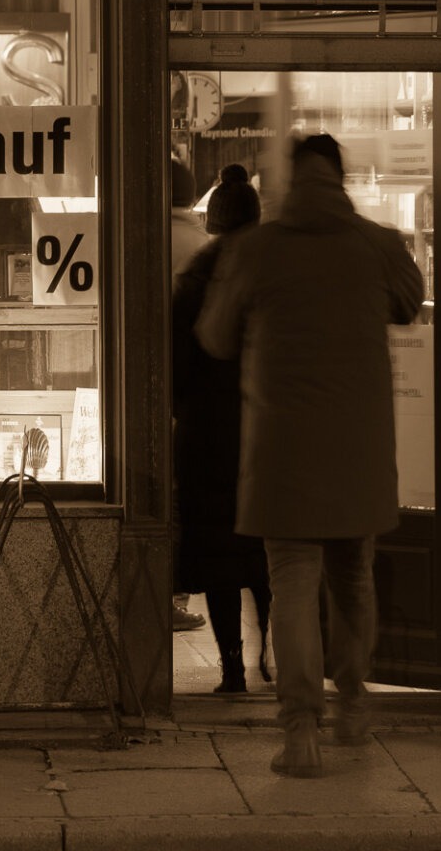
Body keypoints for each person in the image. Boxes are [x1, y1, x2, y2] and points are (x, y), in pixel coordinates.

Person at [196, 134, 423, 777]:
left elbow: (214, 336)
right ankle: (352, 704)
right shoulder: (379, 245)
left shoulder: (255, 249)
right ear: (340, 178)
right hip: (358, 451)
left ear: (291, 181)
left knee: (292, 585)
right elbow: (411, 303)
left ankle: (301, 734)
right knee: (353, 582)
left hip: (282, 453)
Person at [172, 164, 272, 695]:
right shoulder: (275, 272)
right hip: (264, 429)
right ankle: (271, 653)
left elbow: (175, 366)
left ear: (212, 221)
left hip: (207, 437)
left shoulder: (198, 274)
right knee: (267, 552)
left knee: (218, 559)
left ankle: (232, 667)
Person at [168, 155, 209, 634]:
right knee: (180, 498)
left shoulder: (135, 235)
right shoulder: (202, 247)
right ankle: (173, 597)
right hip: (190, 394)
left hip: (144, 386)